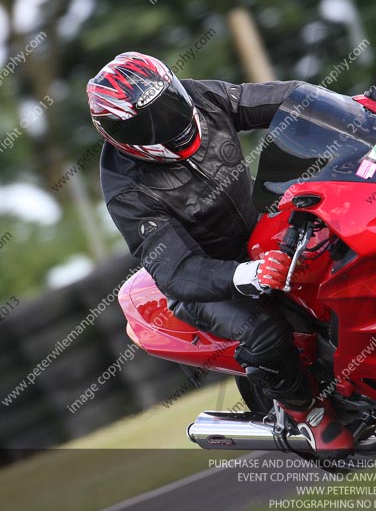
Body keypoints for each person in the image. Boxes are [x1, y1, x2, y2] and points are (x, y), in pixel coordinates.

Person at [87, 51, 353, 454]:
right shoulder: (128, 190)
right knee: (264, 333)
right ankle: (309, 415)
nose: (171, 121)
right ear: (116, 135)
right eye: (149, 121)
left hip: (260, 229)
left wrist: (355, 111)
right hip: (207, 279)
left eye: (170, 103)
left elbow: (288, 98)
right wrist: (248, 274)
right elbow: (178, 270)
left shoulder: (202, 99)